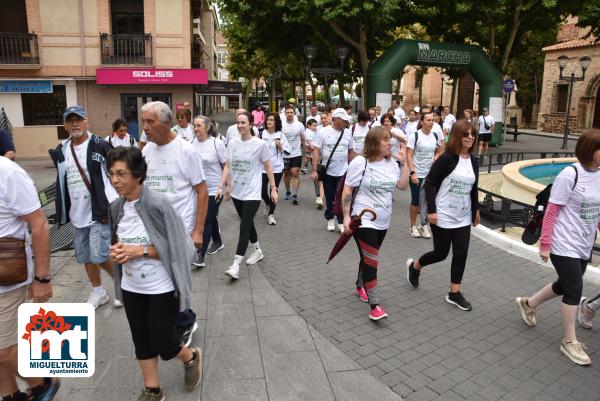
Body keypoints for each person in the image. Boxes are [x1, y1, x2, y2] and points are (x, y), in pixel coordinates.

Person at [107, 147, 202, 401]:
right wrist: (116, 253)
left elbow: (182, 248)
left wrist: (140, 251)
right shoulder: (115, 207)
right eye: (111, 174)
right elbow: (118, 243)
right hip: (131, 286)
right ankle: (153, 389)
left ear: (138, 175)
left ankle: (191, 357)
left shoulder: (159, 204)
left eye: (121, 174)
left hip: (162, 287)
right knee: (141, 340)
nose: (115, 180)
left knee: (164, 341)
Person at [515, 131, 600, 366]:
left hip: (584, 243)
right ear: (589, 151)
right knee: (574, 290)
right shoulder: (570, 174)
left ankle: (528, 304)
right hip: (564, 243)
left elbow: (596, 212)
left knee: (565, 285)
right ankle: (569, 341)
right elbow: (552, 210)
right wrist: (545, 244)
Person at [140, 101, 208, 347]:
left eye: (150, 122)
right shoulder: (146, 152)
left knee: (177, 281)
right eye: (143, 121)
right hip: (152, 231)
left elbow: (201, 190)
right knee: (163, 283)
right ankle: (178, 318)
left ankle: (186, 321)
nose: (145, 127)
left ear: (166, 123)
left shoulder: (186, 150)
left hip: (181, 231)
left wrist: (198, 230)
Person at [0, 156, 59, 401]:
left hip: (7, 279)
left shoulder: (7, 173)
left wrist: (42, 279)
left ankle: (42, 382)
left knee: (3, 350)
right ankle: (11, 395)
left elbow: (40, 224)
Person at [406, 120, 480, 311]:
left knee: (461, 252)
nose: (470, 137)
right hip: (443, 214)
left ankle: (454, 293)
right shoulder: (447, 159)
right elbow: (429, 183)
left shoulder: (473, 161)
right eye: (466, 134)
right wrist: (431, 210)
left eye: (472, 134)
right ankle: (415, 266)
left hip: (463, 215)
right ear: (457, 136)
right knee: (441, 253)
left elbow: (474, 188)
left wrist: (476, 210)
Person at [50, 105, 118, 308]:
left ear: (86, 121)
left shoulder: (100, 145)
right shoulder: (61, 149)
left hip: (99, 210)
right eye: (70, 120)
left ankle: (123, 286)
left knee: (99, 254)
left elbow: (117, 170)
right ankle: (99, 292)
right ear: (65, 125)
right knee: (86, 256)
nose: (74, 124)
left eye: (78, 119)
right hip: (76, 213)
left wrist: (117, 200)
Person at [342, 127, 409, 320]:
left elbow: (402, 186)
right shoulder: (360, 162)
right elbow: (347, 190)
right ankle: (375, 306)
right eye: (386, 140)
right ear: (374, 143)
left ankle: (359, 284)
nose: (390, 143)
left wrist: (404, 163)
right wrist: (346, 217)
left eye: (390, 140)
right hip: (363, 219)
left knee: (368, 257)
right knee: (372, 260)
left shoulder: (392, 163)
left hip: (384, 220)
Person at [216, 111, 278, 279]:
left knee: (244, 225)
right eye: (238, 122)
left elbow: (269, 167)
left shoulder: (259, 144)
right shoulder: (233, 143)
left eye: (243, 122)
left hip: (252, 192)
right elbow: (228, 166)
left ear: (251, 124)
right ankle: (257, 251)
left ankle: (236, 265)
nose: (240, 125)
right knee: (248, 223)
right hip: (237, 192)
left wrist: (273, 188)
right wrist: (223, 186)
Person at [310, 108, 355, 233]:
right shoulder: (323, 132)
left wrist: (353, 167)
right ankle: (330, 218)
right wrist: (314, 170)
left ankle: (341, 220)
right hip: (328, 171)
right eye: (344, 120)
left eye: (347, 121)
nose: (346, 123)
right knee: (330, 197)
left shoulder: (348, 133)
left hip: (343, 171)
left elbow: (351, 151)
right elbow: (316, 151)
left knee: (341, 197)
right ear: (336, 120)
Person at [190, 116, 227, 268]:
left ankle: (200, 255)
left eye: (198, 126)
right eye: (194, 126)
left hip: (214, 190)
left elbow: (226, 165)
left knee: (206, 220)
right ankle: (217, 241)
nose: (195, 128)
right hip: (198, 190)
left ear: (207, 128)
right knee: (210, 217)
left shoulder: (216, 143)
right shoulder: (191, 144)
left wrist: (224, 187)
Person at [406, 109, 443, 239]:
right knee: (416, 201)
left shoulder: (435, 136)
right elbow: (409, 155)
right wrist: (412, 173)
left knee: (427, 201)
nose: (431, 122)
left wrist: (436, 157)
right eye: (428, 120)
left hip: (430, 175)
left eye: (432, 120)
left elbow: (439, 150)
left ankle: (424, 225)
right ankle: (412, 226)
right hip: (417, 174)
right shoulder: (415, 135)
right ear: (421, 121)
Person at [261, 113, 290, 225]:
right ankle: (268, 203)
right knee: (262, 191)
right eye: (267, 119)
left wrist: (280, 146)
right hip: (263, 168)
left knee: (274, 190)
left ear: (276, 122)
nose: (269, 121)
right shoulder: (262, 133)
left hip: (277, 168)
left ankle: (271, 215)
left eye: (271, 120)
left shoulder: (280, 135)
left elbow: (288, 150)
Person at [281, 105, 305, 204]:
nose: (290, 114)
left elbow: (303, 138)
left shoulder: (299, 125)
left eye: (291, 112)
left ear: (294, 113)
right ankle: (288, 191)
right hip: (284, 154)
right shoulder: (281, 124)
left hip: (296, 153)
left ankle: (295, 195)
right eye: (288, 112)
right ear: (285, 113)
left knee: (295, 173)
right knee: (286, 173)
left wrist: (306, 148)